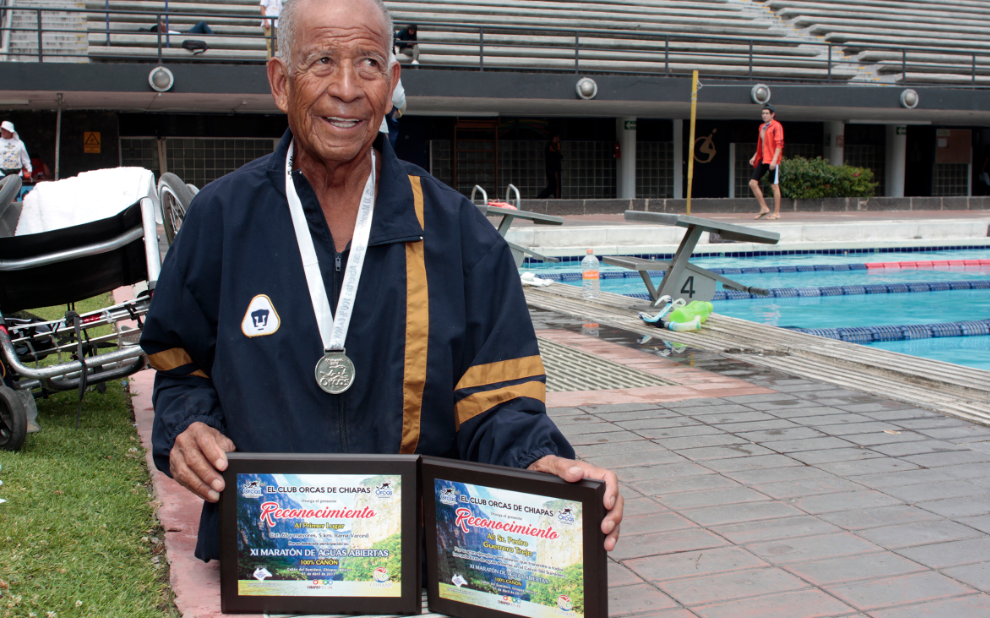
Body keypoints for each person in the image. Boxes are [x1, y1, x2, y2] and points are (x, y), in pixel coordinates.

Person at [140, 0, 623, 563]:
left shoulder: (458, 233)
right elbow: (178, 368)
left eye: (369, 63)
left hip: (413, 561)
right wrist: (187, 427)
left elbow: (499, 404)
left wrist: (539, 465)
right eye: (321, 61)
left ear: (392, 83)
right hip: (268, 555)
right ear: (280, 81)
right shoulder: (221, 219)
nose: (346, 88)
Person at [749, 103, 784, 220]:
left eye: (766, 113)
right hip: (764, 158)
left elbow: (779, 144)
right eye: (763, 113)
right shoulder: (762, 127)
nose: (764, 115)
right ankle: (764, 208)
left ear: (772, 115)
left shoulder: (776, 126)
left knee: (774, 186)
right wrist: (755, 156)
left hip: (772, 159)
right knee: (753, 183)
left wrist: (774, 161)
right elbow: (762, 144)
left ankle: (777, 212)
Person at [536, 134, 562, 199]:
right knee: (556, 186)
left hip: (551, 170)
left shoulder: (551, 146)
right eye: (558, 137)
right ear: (555, 137)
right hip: (554, 170)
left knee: (552, 186)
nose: (559, 139)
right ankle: (557, 200)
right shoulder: (551, 146)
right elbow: (559, 155)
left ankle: (539, 198)